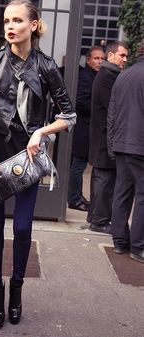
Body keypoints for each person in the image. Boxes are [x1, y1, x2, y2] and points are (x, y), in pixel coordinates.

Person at [0, 0, 76, 329]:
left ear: (33, 25)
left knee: (23, 227)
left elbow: (69, 115)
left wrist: (42, 132)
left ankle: (16, 290)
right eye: (6, 21)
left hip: (28, 157)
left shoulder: (46, 67)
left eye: (17, 20)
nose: (10, 26)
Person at [107, 39, 144, 263]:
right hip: (139, 145)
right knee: (142, 197)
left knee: (122, 193)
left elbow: (112, 112)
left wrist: (113, 144)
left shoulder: (123, 75)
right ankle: (139, 246)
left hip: (123, 143)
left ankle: (120, 242)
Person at [88, 40, 128, 234]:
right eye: (122, 55)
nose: (125, 59)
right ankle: (100, 220)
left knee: (101, 180)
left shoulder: (108, 75)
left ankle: (95, 217)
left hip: (103, 137)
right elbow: (113, 109)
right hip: (105, 138)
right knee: (104, 181)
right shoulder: (107, 77)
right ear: (111, 56)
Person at [68, 45, 105, 211]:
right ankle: (74, 199)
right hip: (82, 129)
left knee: (79, 165)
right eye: (96, 58)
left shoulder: (96, 76)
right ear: (88, 59)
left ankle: (76, 196)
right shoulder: (86, 77)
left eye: (102, 58)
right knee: (78, 165)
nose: (99, 61)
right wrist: (99, 109)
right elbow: (80, 102)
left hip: (87, 129)